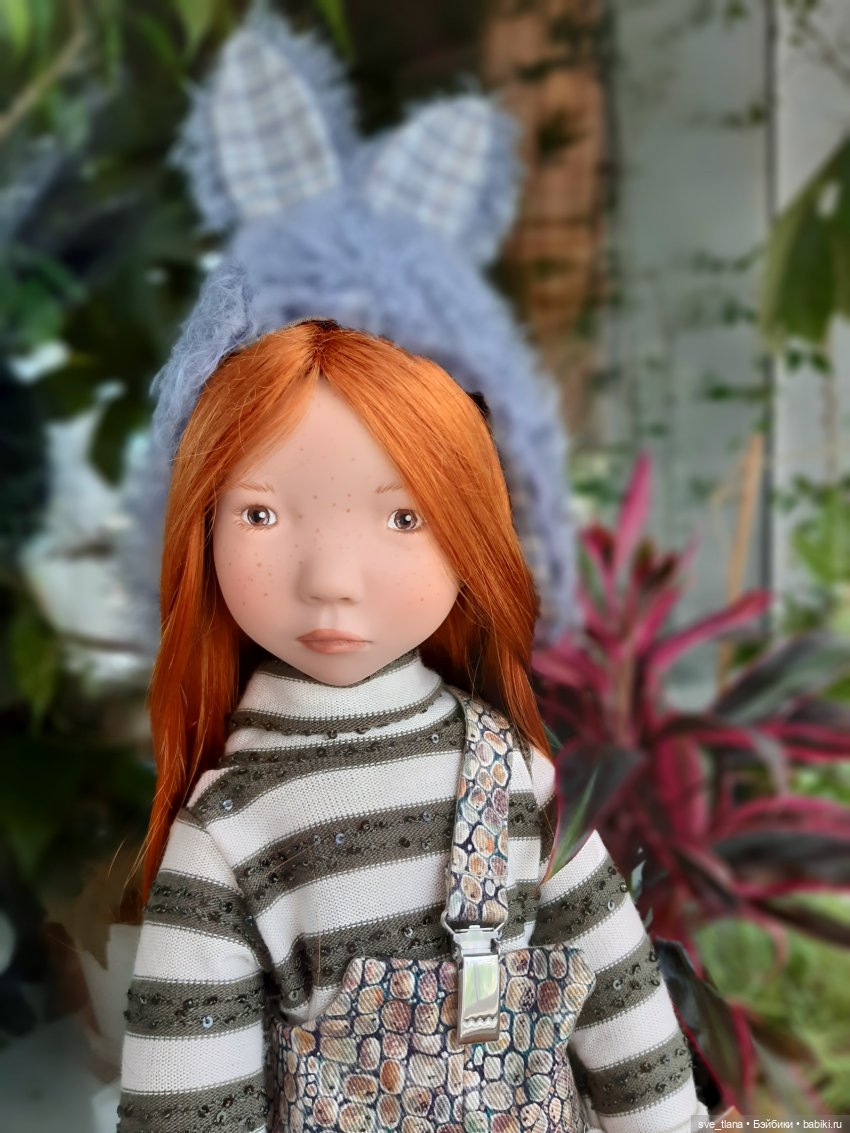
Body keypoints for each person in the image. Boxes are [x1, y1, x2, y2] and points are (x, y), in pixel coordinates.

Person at [118, 320, 707, 1132]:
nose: (331, 578)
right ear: (203, 524)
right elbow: (186, 1100)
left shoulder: (515, 769)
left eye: (403, 518)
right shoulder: (231, 824)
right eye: (261, 514)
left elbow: (619, 990)